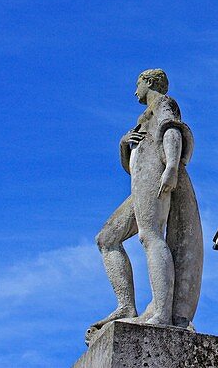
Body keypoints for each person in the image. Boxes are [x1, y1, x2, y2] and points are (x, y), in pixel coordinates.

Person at [88, 69, 203, 341]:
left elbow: (171, 131)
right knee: (107, 239)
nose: (134, 91)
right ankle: (126, 305)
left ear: (149, 83)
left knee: (150, 235)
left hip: (157, 174)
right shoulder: (144, 117)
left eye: (137, 84)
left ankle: (162, 312)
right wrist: (123, 143)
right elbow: (133, 161)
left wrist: (172, 166)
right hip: (142, 182)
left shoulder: (164, 103)